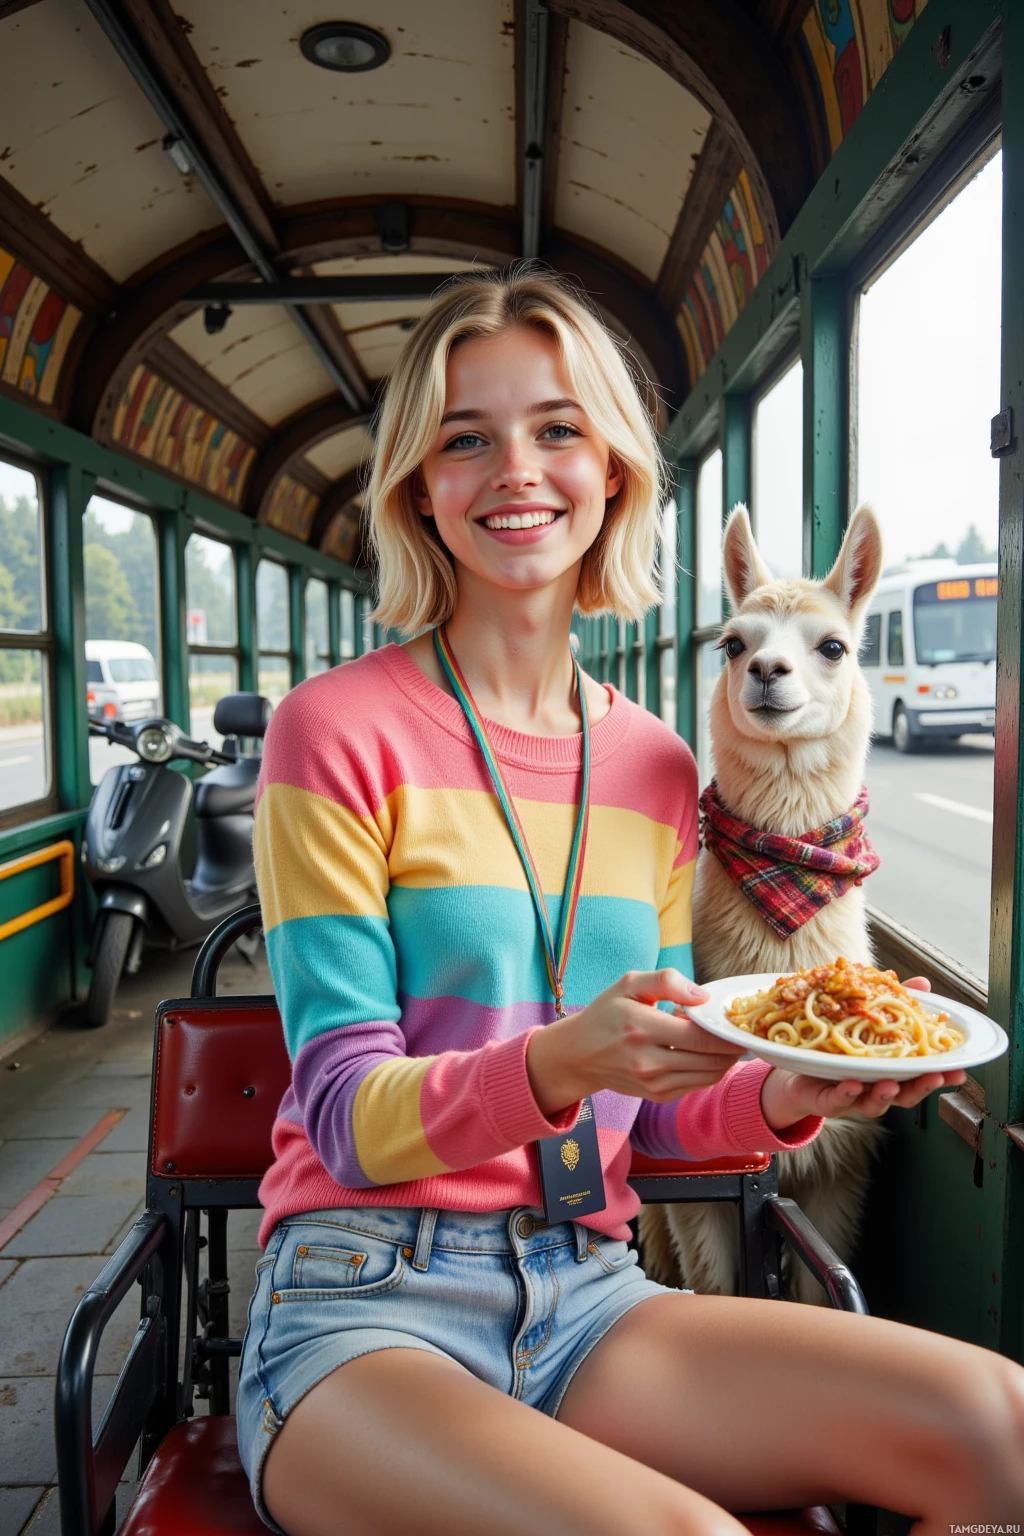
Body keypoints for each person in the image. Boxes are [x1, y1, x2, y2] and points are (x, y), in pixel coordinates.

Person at [236, 268, 1024, 1536]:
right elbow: (341, 1120)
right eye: (464, 438)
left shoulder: (657, 767)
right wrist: (553, 1062)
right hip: (362, 1303)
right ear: (416, 486)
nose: (516, 470)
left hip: (587, 1292)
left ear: (611, 471)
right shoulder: (332, 734)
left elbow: (651, 1124)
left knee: (1001, 1430)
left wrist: (782, 1090)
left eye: (558, 429)